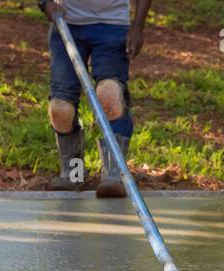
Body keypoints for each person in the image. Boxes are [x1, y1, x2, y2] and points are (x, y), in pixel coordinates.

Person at [38, 0, 151, 198]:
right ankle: (74, 173)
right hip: (66, 23)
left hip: (112, 26)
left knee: (110, 94)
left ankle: (114, 174)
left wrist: (138, 26)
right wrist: (45, 3)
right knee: (61, 109)